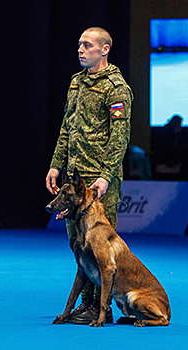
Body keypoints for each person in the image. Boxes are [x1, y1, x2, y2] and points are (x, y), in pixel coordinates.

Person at [45, 27, 133, 325]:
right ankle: (85, 305)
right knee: (78, 244)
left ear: (104, 49)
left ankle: (100, 308)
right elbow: (66, 128)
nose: (81, 50)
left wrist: (107, 175)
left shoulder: (116, 87)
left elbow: (120, 137)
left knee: (99, 246)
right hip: (74, 177)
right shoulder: (76, 82)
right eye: (79, 44)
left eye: (87, 45)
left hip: (98, 180)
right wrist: (56, 164)